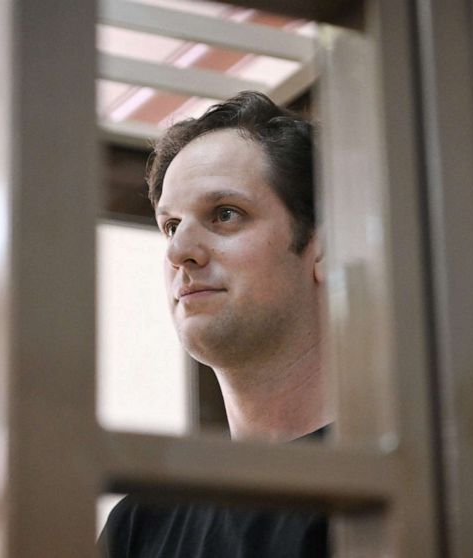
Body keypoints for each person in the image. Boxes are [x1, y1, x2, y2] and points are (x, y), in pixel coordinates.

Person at [99, 91, 331, 558]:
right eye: (170, 225)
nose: (178, 251)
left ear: (325, 247)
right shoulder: (139, 523)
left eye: (225, 214)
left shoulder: (395, 486)